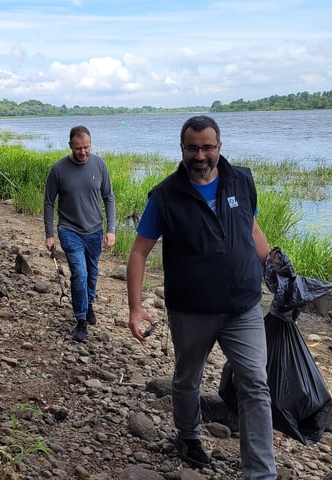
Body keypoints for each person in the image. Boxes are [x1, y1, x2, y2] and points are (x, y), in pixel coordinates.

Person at [125, 115, 276, 479]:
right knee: (187, 378)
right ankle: (188, 436)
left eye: (207, 147)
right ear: (182, 149)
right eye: (192, 148)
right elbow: (138, 253)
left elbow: (252, 229)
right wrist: (135, 307)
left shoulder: (241, 179)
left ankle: (261, 472)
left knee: (255, 382)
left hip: (243, 306)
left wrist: (276, 272)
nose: (200, 155)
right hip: (191, 310)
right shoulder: (165, 196)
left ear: (219, 147)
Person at [43, 125, 116, 343]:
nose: (83, 152)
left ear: (90, 144)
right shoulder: (58, 169)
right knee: (80, 273)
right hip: (69, 229)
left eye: (86, 147)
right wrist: (49, 234)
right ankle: (81, 319)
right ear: (70, 146)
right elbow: (48, 203)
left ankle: (89, 302)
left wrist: (111, 229)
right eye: (78, 149)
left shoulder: (99, 165)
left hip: (94, 230)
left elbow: (109, 198)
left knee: (93, 273)